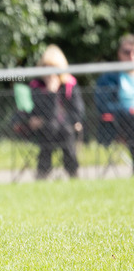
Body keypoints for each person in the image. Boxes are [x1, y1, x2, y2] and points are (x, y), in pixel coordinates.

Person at [25, 45, 84, 179]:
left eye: (54, 69)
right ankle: (43, 173)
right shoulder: (36, 86)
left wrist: (69, 121)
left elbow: (78, 111)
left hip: (66, 127)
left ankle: (72, 172)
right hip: (43, 130)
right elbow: (42, 113)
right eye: (46, 68)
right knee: (51, 127)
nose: (50, 74)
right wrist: (51, 93)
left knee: (65, 130)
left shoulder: (70, 85)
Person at [93, 34, 134, 171]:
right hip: (119, 123)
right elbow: (103, 105)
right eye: (127, 52)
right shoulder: (108, 78)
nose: (131, 56)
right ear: (119, 54)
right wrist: (127, 110)